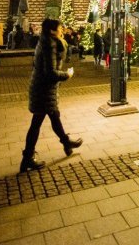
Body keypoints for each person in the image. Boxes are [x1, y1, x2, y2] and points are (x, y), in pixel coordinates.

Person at [20, 18, 82, 172]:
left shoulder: (46, 41)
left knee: (53, 116)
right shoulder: (49, 44)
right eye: (60, 27)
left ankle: (66, 143)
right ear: (52, 30)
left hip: (43, 88)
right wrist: (67, 75)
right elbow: (50, 72)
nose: (62, 29)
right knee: (39, 123)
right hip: (43, 88)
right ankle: (28, 158)